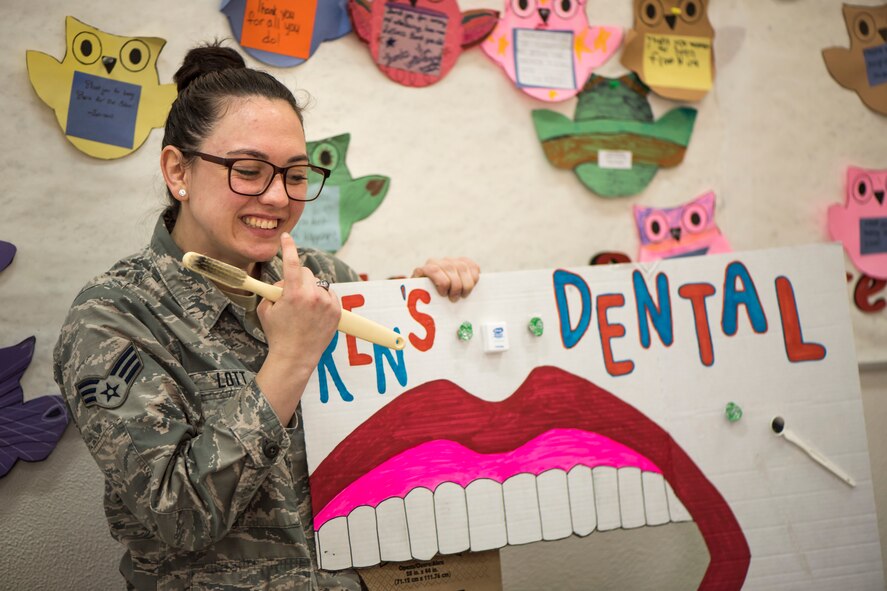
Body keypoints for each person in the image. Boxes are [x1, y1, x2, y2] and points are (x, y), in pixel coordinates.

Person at [53, 42, 480, 590]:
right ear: (177, 170)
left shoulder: (326, 278)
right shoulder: (113, 314)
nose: (278, 197)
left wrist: (434, 307)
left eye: (296, 175)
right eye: (249, 170)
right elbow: (180, 515)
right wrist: (292, 357)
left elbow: (407, 424)